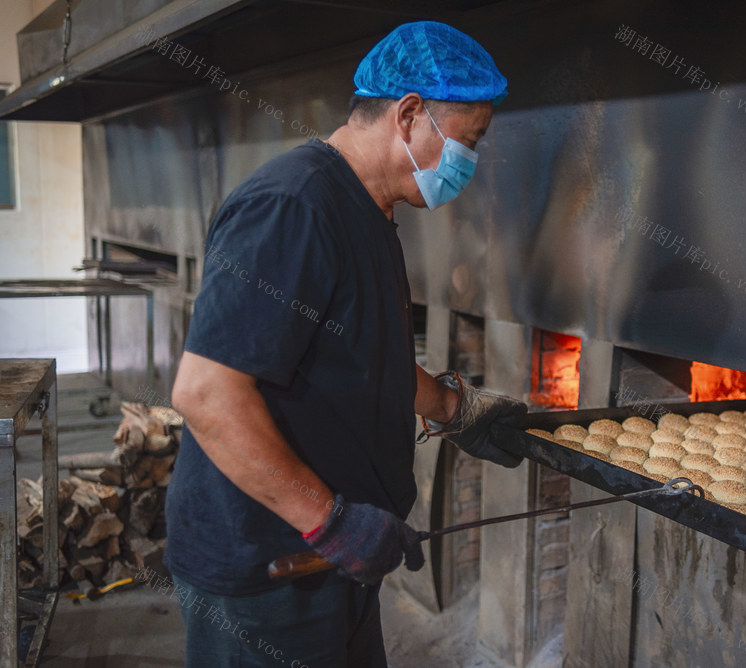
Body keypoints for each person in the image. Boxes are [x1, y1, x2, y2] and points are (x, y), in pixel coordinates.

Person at [165, 20, 525, 667]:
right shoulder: (294, 206)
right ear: (410, 114)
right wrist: (329, 520)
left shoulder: (371, 212)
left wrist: (451, 407)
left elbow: (365, 352)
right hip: (267, 571)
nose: (466, 165)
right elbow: (206, 394)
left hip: (335, 560)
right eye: (466, 144)